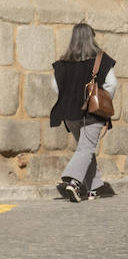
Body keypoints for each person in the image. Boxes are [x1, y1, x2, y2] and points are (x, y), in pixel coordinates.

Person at [49, 22, 117, 202]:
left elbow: (55, 87)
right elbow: (111, 84)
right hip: (92, 113)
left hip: (69, 114)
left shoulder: (62, 64)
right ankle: (73, 182)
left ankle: (94, 188)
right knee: (86, 148)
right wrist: (102, 100)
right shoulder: (101, 60)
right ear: (91, 38)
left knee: (85, 149)